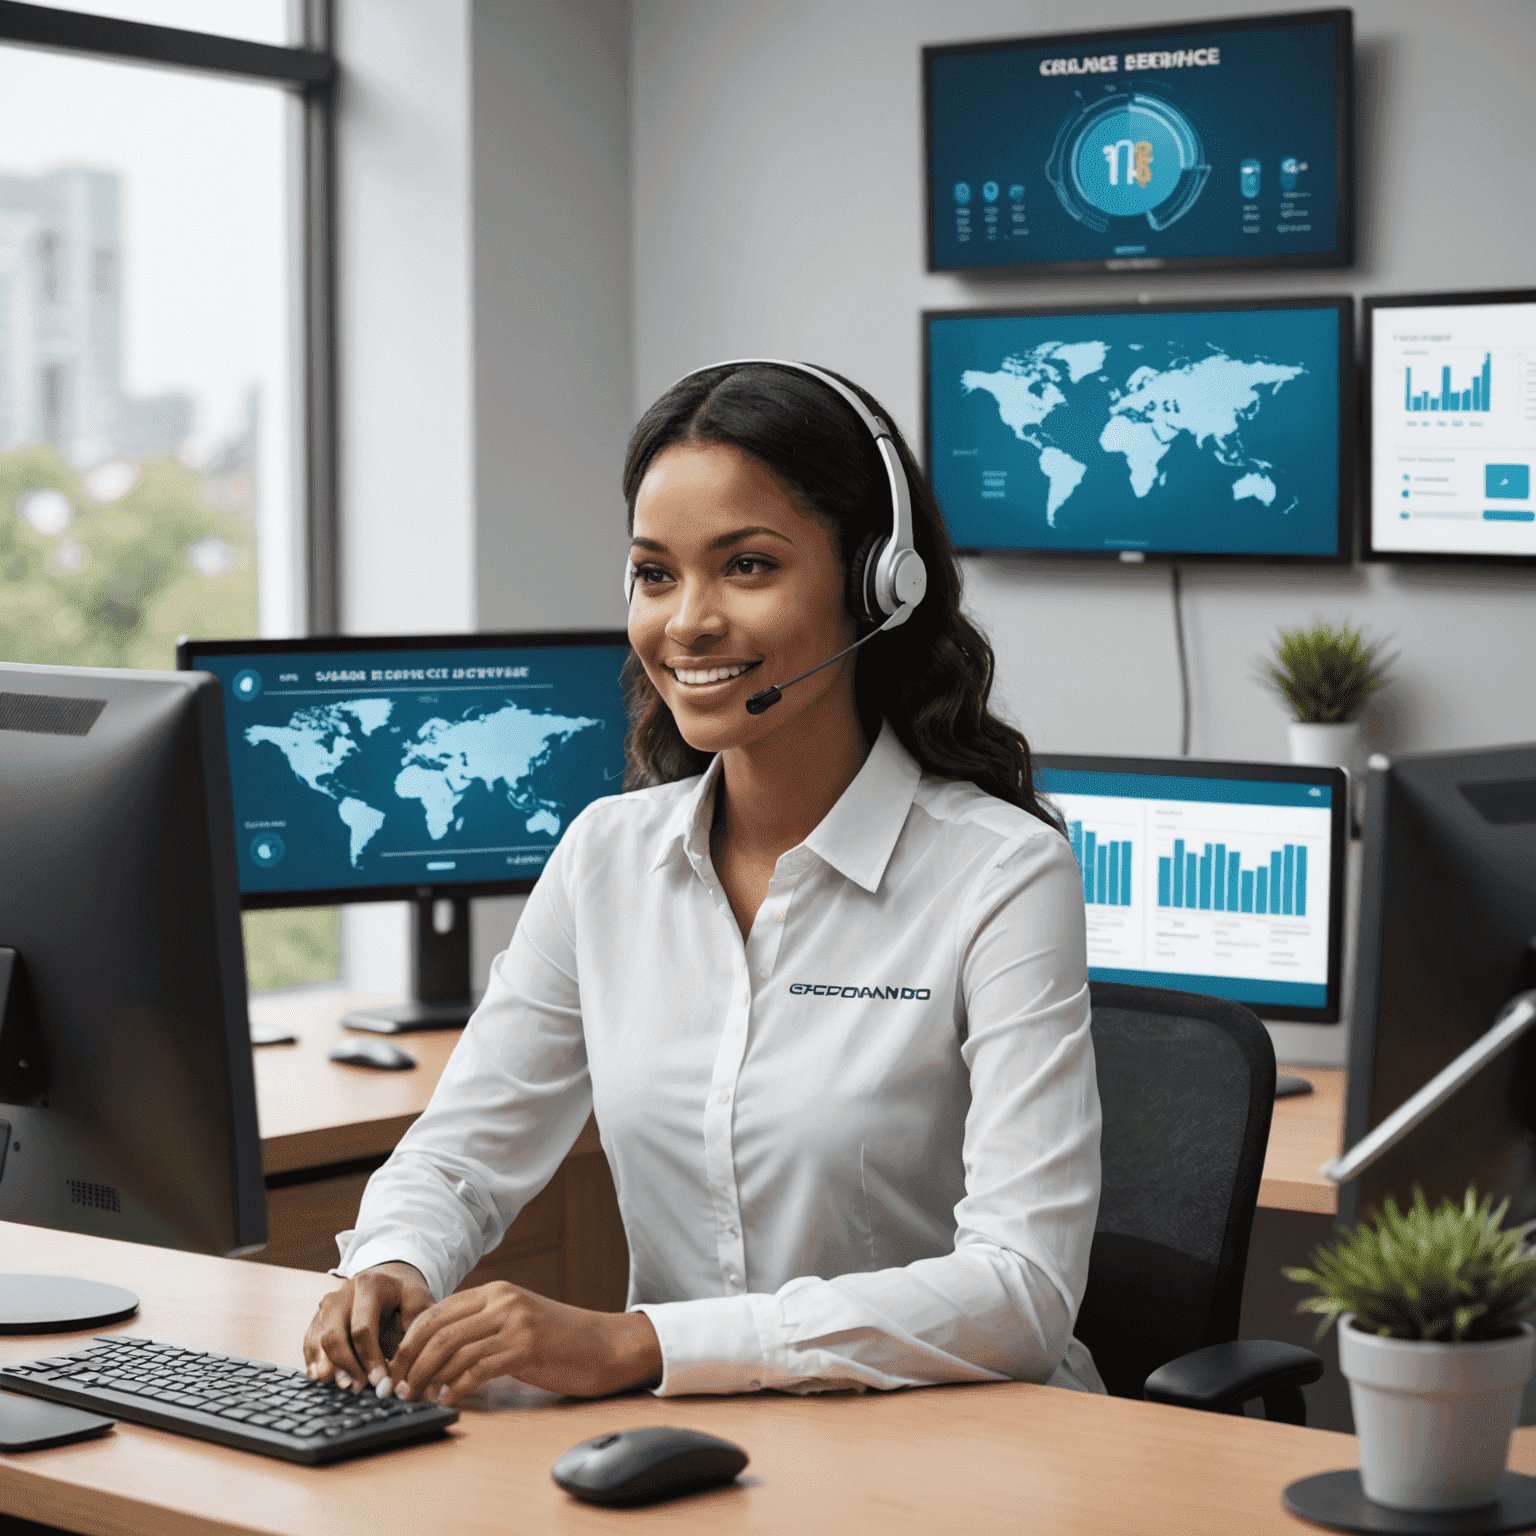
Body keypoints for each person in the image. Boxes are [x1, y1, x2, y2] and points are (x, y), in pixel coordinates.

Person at [304, 361, 1105, 1407]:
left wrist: (643, 1345)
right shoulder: (606, 859)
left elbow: (1022, 1290)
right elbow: (459, 1155)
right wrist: (392, 1265)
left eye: (749, 566)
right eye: (655, 574)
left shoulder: (1001, 873)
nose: (687, 622)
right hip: (696, 1457)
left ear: (880, 586)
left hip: (959, 1450)